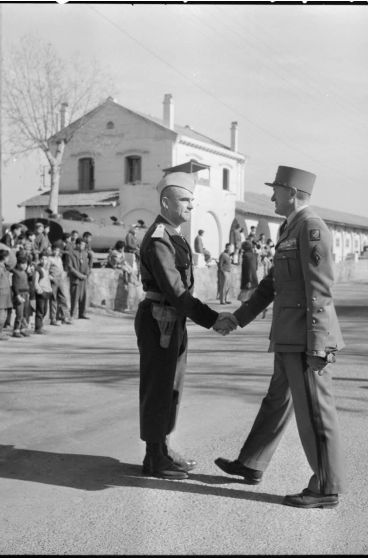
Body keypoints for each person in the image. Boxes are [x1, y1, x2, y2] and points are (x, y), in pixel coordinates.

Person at [214, 165, 346, 509]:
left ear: (291, 192)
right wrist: (237, 318)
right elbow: (272, 284)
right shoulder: (290, 227)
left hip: (306, 338)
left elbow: (320, 287)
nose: (272, 196)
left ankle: (326, 487)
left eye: (276, 190)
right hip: (288, 336)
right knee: (277, 400)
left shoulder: (311, 227)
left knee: (316, 411)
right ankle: (252, 462)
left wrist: (318, 342)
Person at [135, 171, 236, 480]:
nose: (191, 205)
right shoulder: (159, 239)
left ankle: (163, 448)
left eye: (192, 200)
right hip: (160, 318)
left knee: (172, 386)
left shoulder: (173, 235)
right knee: (158, 387)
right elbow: (176, 291)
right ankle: (154, 456)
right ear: (165, 202)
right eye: (184, 200)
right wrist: (212, 319)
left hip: (171, 319)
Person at [48, 243, 72, 325]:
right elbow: (46, 270)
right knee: (54, 299)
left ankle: (66, 317)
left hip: (61, 280)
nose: (56, 252)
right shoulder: (49, 259)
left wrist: (63, 274)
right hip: (53, 280)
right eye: (55, 250)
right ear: (52, 250)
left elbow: (61, 269)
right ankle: (53, 318)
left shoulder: (59, 259)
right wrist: (50, 277)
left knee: (63, 298)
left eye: (58, 251)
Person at [67, 237, 90, 320]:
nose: (83, 246)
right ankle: (72, 314)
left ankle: (82, 313)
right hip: (76, 279)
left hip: (83, 279)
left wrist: (87, 274)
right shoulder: (71, 254)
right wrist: (80, 275)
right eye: (82, 244)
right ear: (77, 244)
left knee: (83, 297)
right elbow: (70, 267)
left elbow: (87, 265)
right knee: (74, 297)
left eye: (84, 245)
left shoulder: (84, 254)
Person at [10, 253, 31, 338]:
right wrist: (17, 295)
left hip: (26, 293)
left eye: (26, 264)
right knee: (19, 313)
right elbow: (14, 286)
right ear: (18, 264)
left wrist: (30, 274)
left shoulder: (25, 272)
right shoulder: (15, 273)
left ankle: (23, 329)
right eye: (22, 264)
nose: (24, 265)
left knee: (25, 313)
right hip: (19, 294)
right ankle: (16, 330)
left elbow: (29, 282)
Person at [33, 252, 53, 334]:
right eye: (42, 259)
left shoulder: (46, 269)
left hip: (47, 292)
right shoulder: (38, 269)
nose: (44, 261)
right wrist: (38, 289)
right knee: (40, 311)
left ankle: (40, 326)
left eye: (45, 259)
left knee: (44, 310)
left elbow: (46, 280)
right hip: (41, 292)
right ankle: (38, 328)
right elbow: (35, 282)